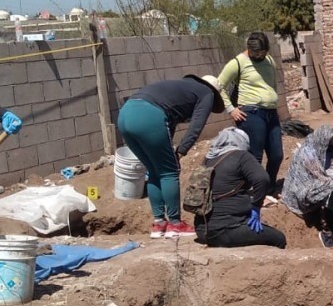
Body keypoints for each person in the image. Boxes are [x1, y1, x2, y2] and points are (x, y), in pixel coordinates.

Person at [117, 74, 225, 239]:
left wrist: (170, 151)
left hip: (125, 115)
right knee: (170, 172)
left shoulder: (183, 87)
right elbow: (196, 126)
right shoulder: (207, 94)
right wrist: (181, 151)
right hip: (148, 116)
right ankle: (175, 224)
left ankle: (159, 223)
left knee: (154, 170)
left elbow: (169, 124)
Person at [194, 127, 286, 249]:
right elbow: (262, 179)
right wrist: (256, 207)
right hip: (226, 230)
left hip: (202, 231)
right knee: (279, 238)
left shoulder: (208, 160)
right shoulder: (241, 156)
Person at [217, 31, 283, 186]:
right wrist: (231, 109)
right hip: (252, 114)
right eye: (258, 53)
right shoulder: (238, 63)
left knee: (277, 155)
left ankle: (269, 184)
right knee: (255, 156)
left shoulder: (269, 60)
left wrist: (272, 99)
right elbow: (219, 86)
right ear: (250, 50)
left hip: (271, 113)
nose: (261, 56)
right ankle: (254, 189)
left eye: (264, 52)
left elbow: (272, 84)